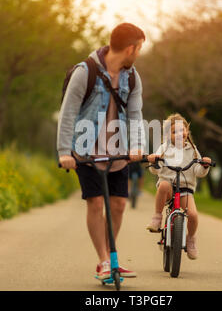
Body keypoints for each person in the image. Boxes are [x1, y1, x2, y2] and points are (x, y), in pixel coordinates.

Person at [57, 23, 146, 280]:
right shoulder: (85, 72)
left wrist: (138, 146)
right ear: (130, 48)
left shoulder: (132, 77)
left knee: (118, 205)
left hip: (118, 152)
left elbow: (135, 114)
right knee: (95, 202)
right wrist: (64, 152)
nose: (138, 54)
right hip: (86, 152)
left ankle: (109, 257)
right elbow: (68, 113)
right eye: (139, 49)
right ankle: (105, 260)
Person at [146, 113, 212, 260]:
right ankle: (157, 217)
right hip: (169, 187)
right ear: (169, 135)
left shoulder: (193, 150)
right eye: (175, 131)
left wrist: (204, 165)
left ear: (187, 132)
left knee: (193, 215)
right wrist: (153, 161)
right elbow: (155, 170)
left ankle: (191, 239)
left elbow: (198, 171)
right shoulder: (164, 148)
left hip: (185, 189)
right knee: (163, 185)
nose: (179, 134)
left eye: (182, 130)